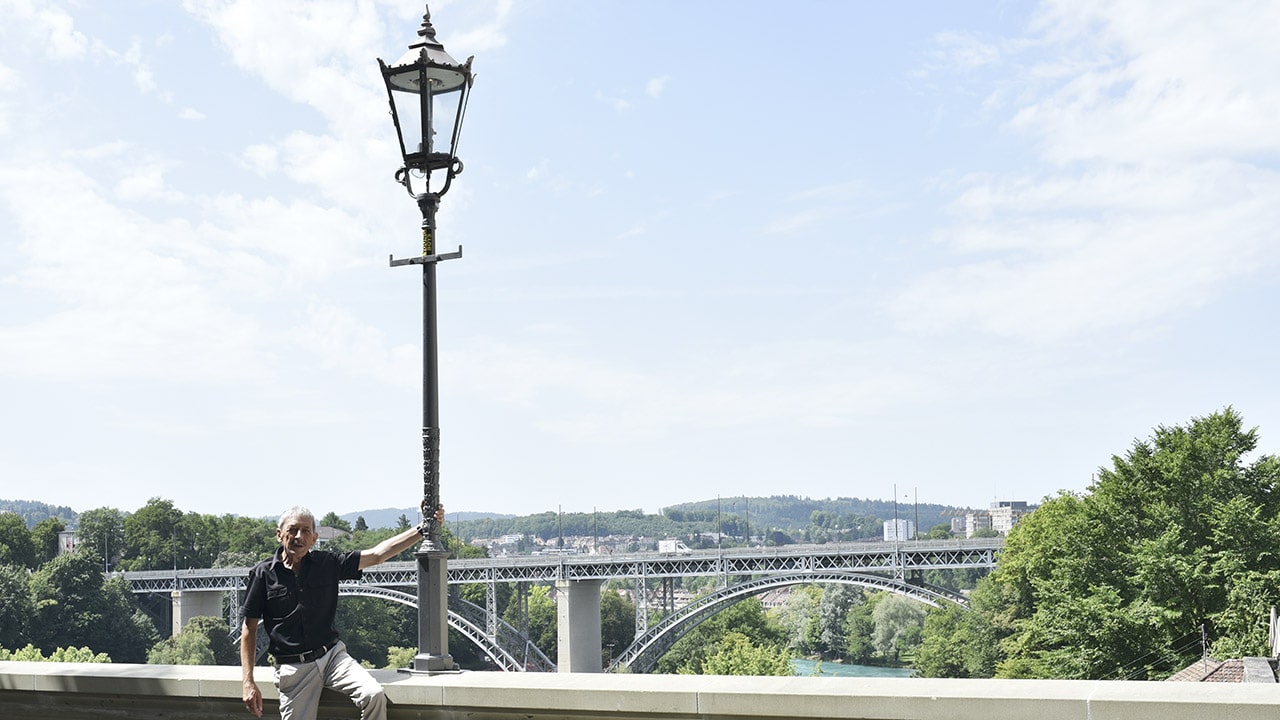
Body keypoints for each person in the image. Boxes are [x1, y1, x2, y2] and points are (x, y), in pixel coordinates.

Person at [240, 500, 443, 719]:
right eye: (293, 530)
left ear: (314, 538)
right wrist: (248, 682)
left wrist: (423, 528)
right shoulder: (262, 575)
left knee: (373, 694)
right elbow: (249, 630)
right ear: (279, 534)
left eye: (306, 531)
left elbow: (378, 555)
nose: (299, 536)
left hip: (332, 657)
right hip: (294, 668)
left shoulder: (327, 563)